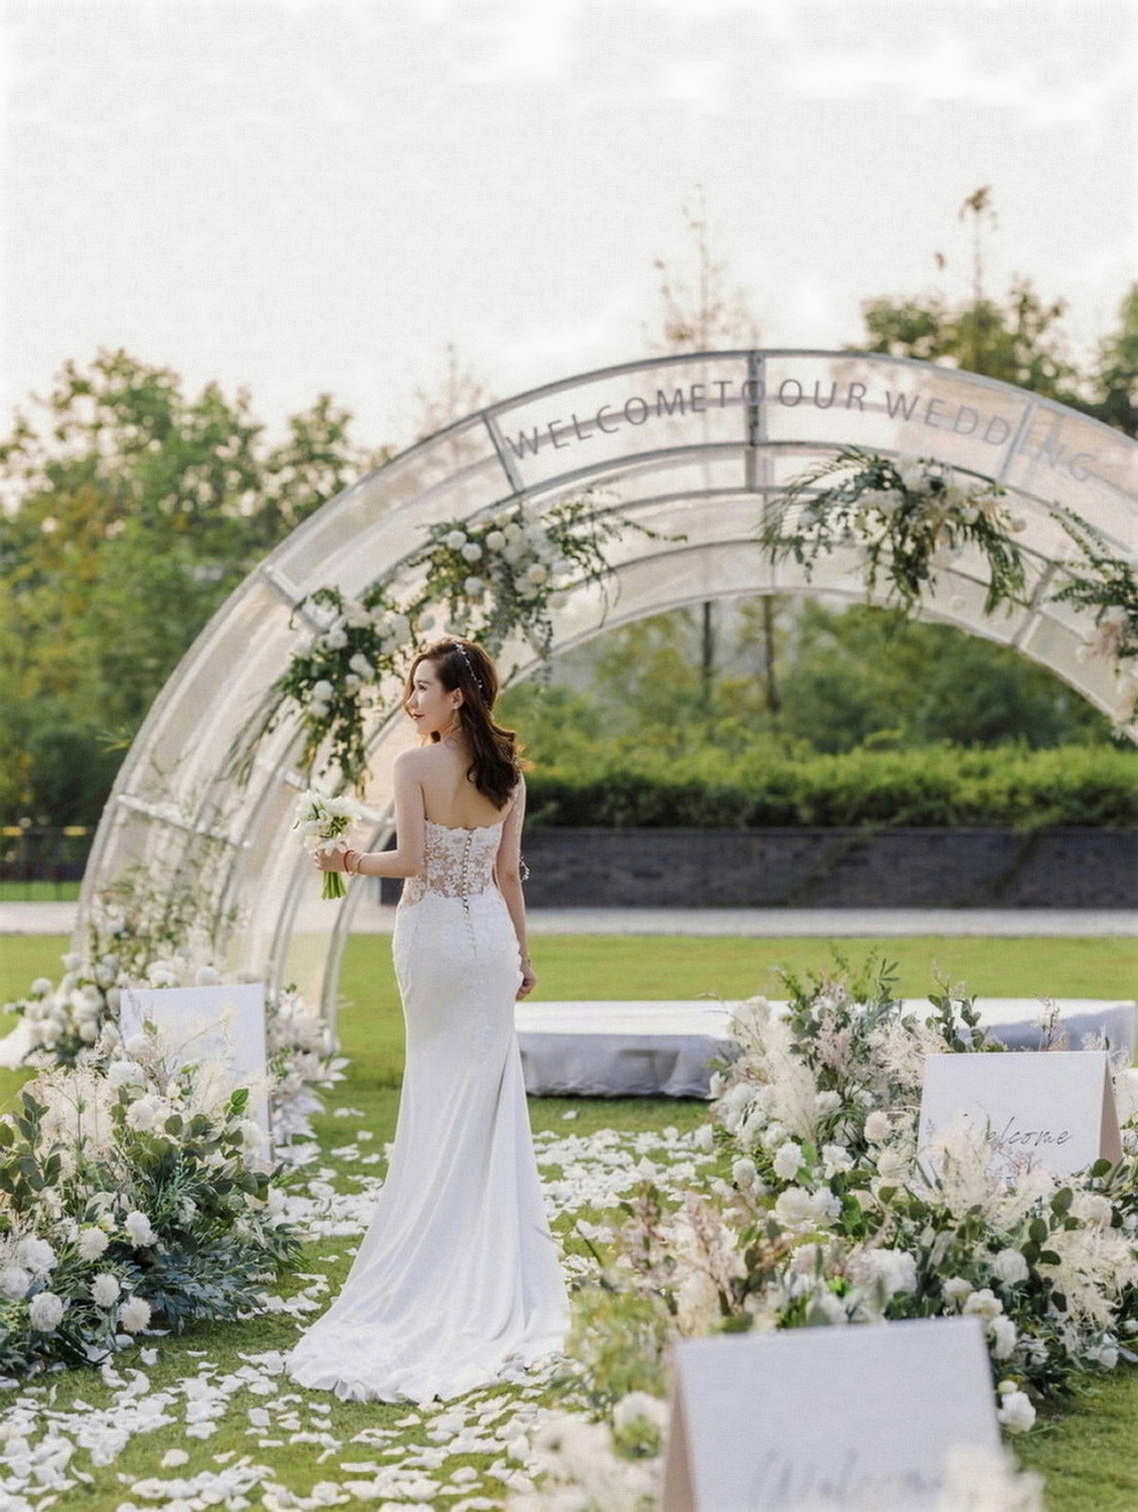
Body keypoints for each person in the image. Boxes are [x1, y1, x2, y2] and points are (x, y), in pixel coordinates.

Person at [285, 638, 568, 1402]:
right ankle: (484, 1258)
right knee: (485, 1102)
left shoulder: (414, 766)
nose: (410, 701)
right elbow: (507, 875)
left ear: (456, 696)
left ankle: (435, 1257)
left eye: (420, 688)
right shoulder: (509, 775)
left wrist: (346, 862)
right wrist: (524, 955)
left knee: (439, 1094)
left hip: (435, 939)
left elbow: (410, 862)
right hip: (490, 945)